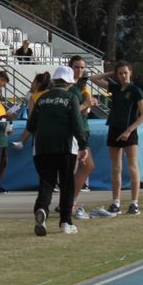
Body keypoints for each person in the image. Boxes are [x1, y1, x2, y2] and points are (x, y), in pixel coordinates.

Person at [27, 65, 89, 235]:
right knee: (67, 184)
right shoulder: (71, 98)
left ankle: (42, 209)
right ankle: (65, 222)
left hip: (41, 147)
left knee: (46, 182)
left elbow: (30, 126)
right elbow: (77, 125)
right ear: (69, 82)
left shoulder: (41, 98)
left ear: (54, 81)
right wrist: (83, 145)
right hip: (65, 146)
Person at [91, 60, 143, 216]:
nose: (123, 76)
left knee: (132, 166)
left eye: (125, 73)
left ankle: (134, 203)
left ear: (130, 73)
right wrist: (111, 73)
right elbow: (93, 79)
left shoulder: (135, 90)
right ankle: (116, 202)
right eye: (120, 73)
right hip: (114, 129)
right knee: (116, 168)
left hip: (129, 131)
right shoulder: (115, 88)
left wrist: (129, 130)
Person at [68, 56, 95, 218]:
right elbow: (71, 112)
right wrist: (85, 104)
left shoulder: (80, 88)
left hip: (83, 129)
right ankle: (68, 202)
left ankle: (71, 200)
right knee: (75, 168)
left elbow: (82, 112)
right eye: (76, 67)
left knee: (87, 166)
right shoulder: (70, 88)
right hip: (75, 132)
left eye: (82, 67)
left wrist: (87, 105)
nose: (79, 70)